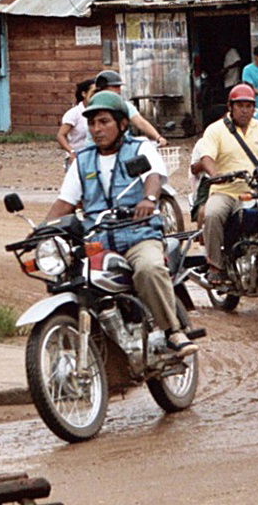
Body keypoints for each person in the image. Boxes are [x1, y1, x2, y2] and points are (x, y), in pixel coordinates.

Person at [43, 91, 196, 357]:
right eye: (92, 124)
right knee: (70, 277)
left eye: (104, 122)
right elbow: (64, 203)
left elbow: (153, 176)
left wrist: (149, 198)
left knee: (148, 268)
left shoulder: (139, 148)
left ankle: (173, 331)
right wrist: (41, 231)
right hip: (99, 241)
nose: (96, 129)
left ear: (122, 124)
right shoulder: (83, 160)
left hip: (139, 235)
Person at [196, 83, 258, 284]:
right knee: (212, 214)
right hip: (224, 190)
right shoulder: (215, 130)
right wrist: (216, 174)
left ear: (254, 108)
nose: (244, 110)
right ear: (230, 107)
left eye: (249, 106)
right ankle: (215, 265)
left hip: (255, 190)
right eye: (240, 105)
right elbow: (206, 157)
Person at [92, 70, 167, 147]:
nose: (118, 90)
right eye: (114, 87)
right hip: (96, 147)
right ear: (102, 89)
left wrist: (158, 137)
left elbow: (140, 122)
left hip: (120, 146)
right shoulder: (92, 107)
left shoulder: (123, 105)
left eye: (119, 87)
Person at [56, 78, 97, 159]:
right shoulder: (74, 113)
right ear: (84, 94)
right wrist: (71, 152)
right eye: (93, 92)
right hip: (78, 157)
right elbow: (60, 135)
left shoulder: (100, 111)